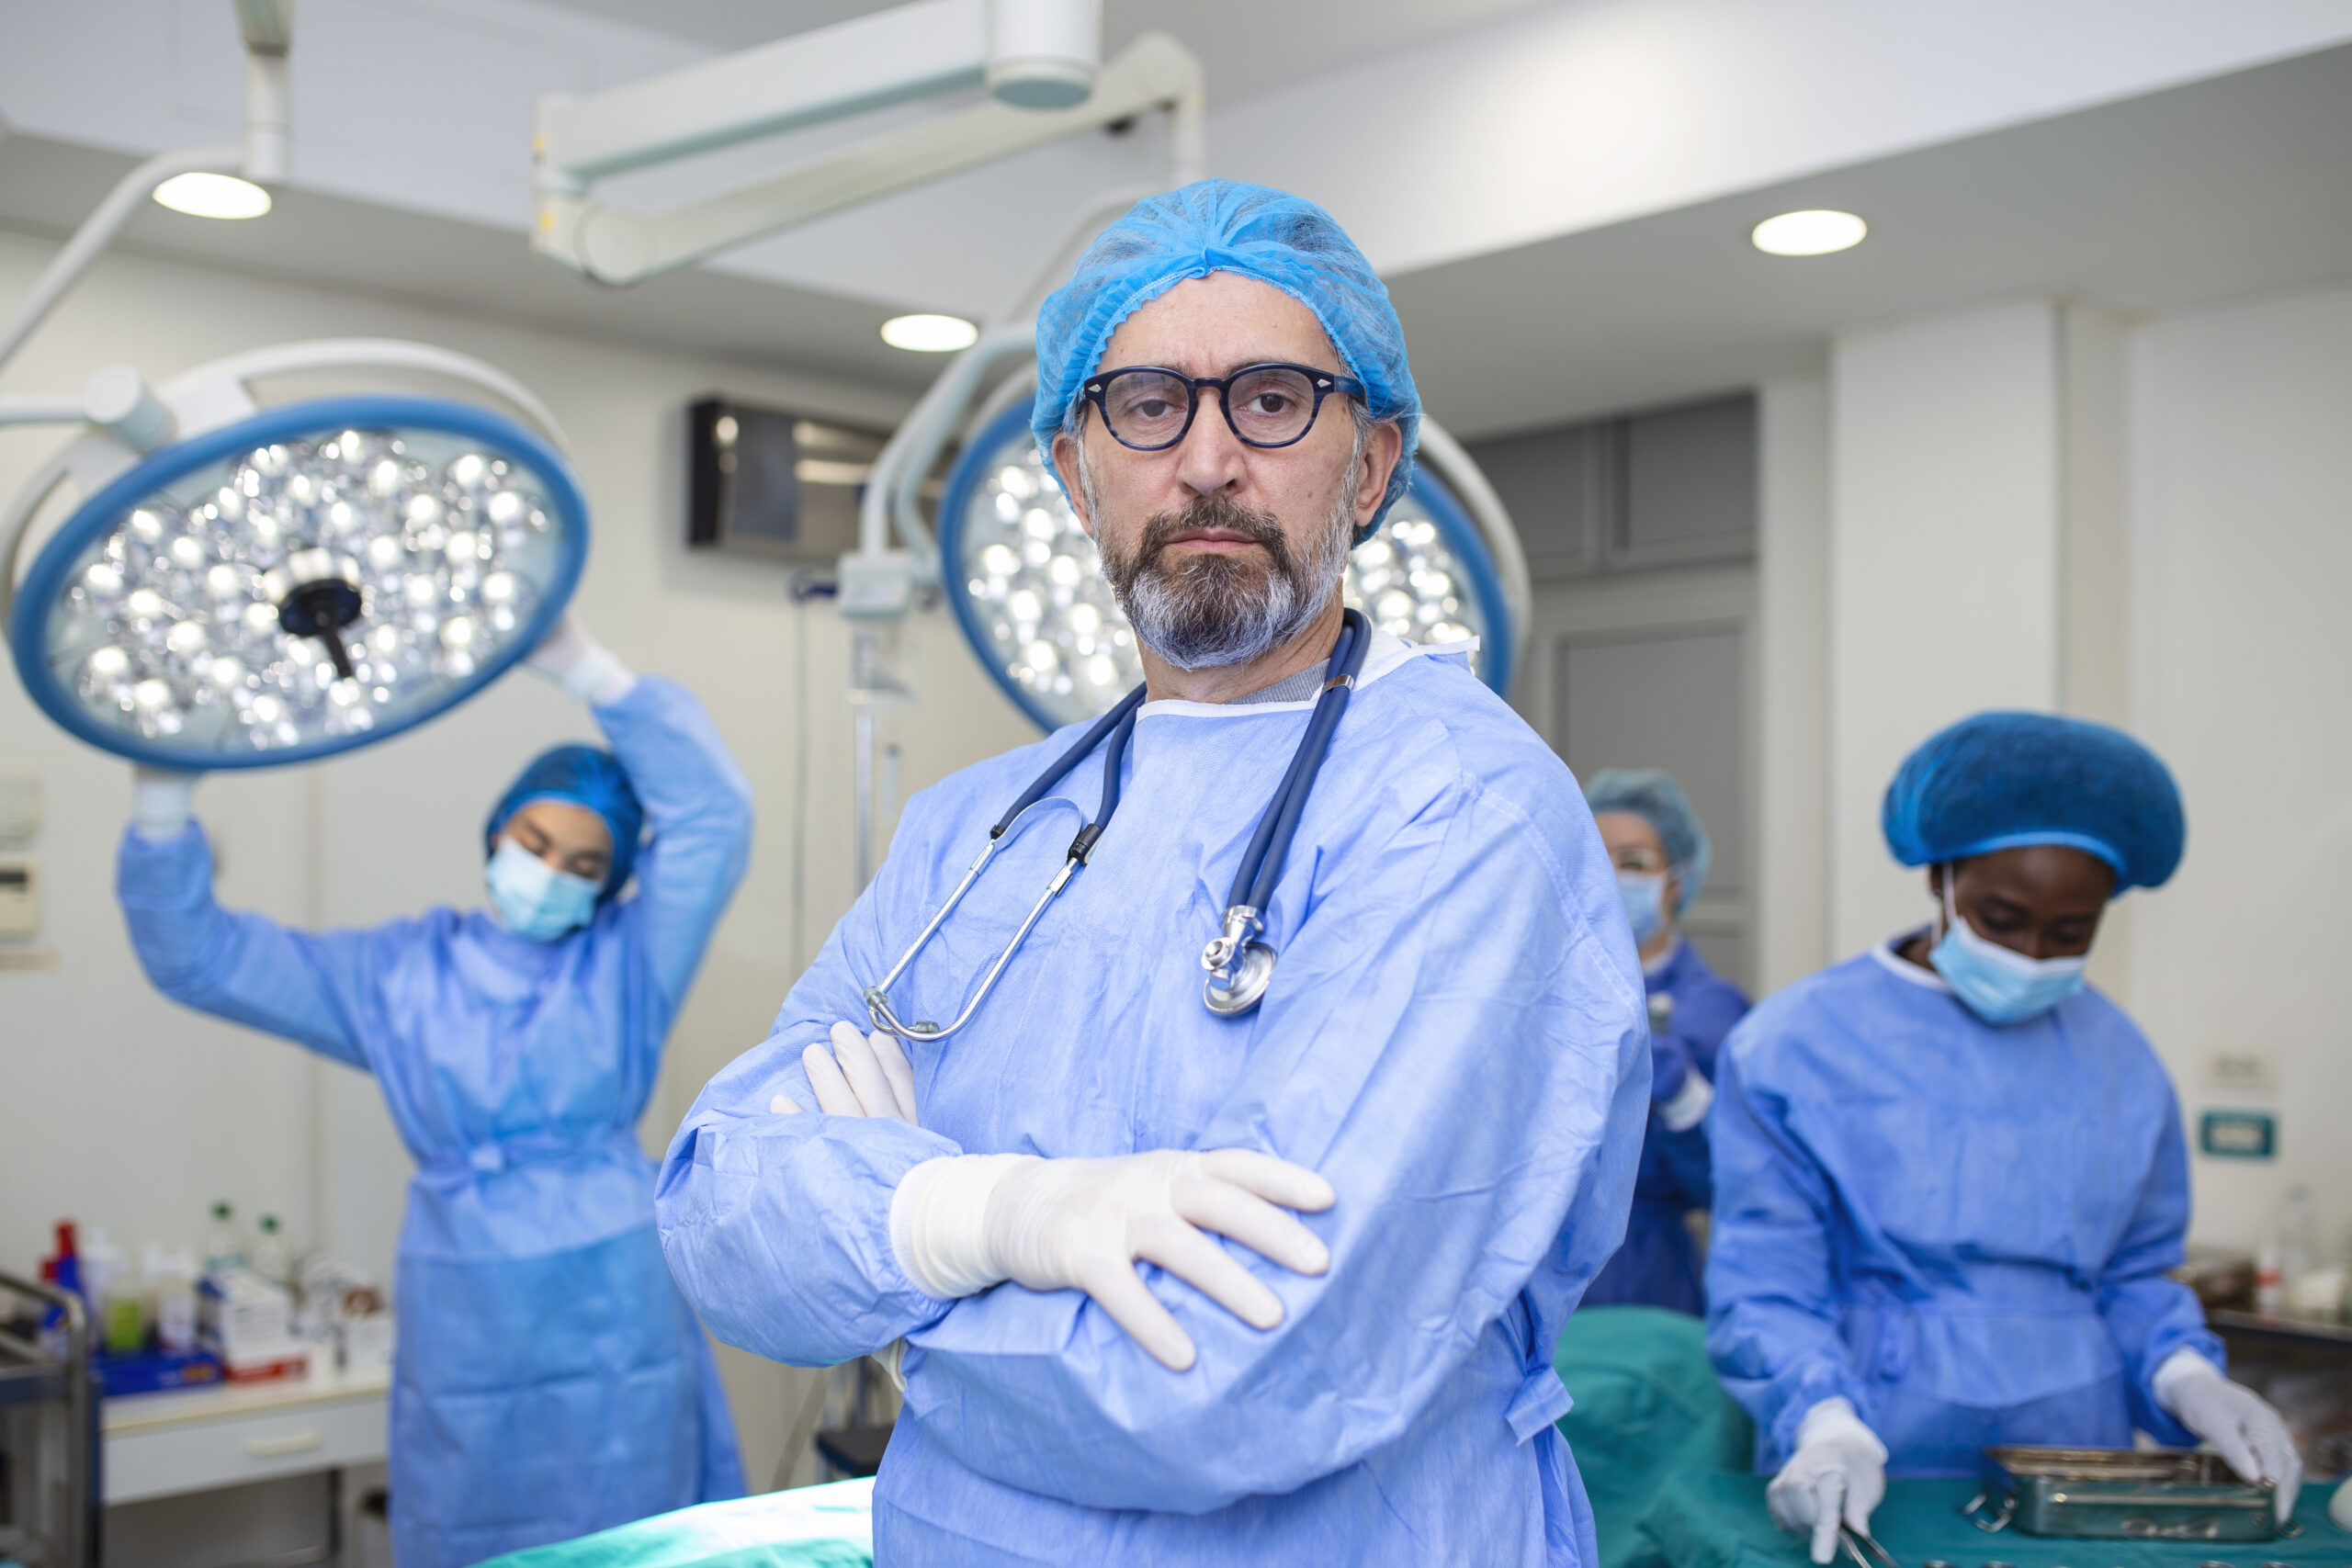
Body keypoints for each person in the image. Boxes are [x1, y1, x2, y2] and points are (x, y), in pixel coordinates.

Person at [656, 180, 1649, 1567]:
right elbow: (717, 1202)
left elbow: (1228, 1374)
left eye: (1272, 398)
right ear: (1075, 473)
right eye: (1146, 404)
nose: (1205, 461)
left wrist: (894, 1260)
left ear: (1368, 464)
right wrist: (1006, 1217)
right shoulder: (979, 826)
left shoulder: (1464, 812)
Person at [115, 615, 752, 1568]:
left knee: (632, 1535)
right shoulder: (398, 976)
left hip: (614, 1297)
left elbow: (714, 816)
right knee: (471, 1532)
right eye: (534, 842)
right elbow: (200, 959)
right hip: (466, 1309)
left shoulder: (627, 962)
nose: (550, 876)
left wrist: (586, 668)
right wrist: (163, 800)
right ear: (497, 830)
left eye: (584, 866)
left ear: (613, 882)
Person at [1705, 711, 2301, 1563]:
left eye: (2070, 934)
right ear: (1938, 879)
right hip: (1870, 1444)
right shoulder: (1795, 1044)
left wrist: (2189, 1377)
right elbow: (1766, 1282)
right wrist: (1823, 1420)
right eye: (2001, 917)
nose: (2031, 954)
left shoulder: (2121, 1061)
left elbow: (2133, 1277)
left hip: (2074, 1452)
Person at [1580, 769, 1747, 1314]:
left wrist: (1685, 1100)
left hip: (1648, 1275)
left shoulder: (1714, 1012)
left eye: (1633, 862)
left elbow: (1733, 1185)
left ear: (1676, 881)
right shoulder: (1541, 993)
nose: (1610, 876)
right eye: (1593, 855)